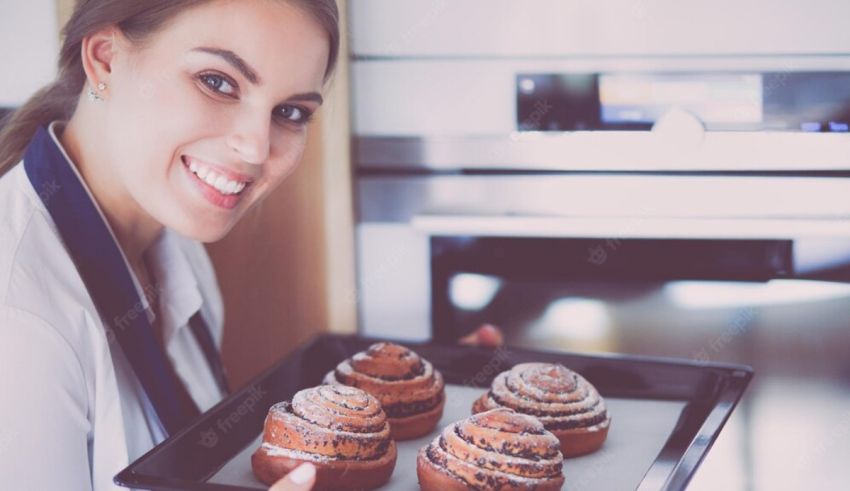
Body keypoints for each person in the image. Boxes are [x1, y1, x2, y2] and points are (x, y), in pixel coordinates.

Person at [0, 2, 501, 490]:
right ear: (105, 57)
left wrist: (382, 404)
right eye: (217, 82)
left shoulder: (177, 244)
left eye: (290, 111)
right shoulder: (19, 318)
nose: (257, 148)